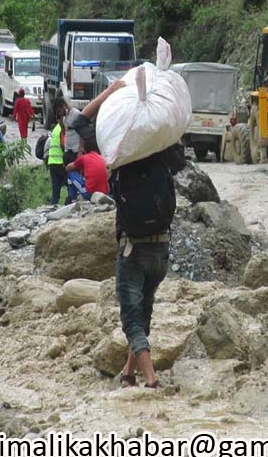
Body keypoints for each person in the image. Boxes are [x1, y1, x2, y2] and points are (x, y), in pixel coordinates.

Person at [112, 144, 184, 389]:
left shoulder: (121, 155)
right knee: (143, 313)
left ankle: (151, 379)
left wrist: (103, 102)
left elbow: (77, 123)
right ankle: (128, 374)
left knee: (132, 320)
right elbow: (180, 158)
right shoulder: (163, 151)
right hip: (161, 249)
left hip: (133, 250)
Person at [65, 137, 108, 202]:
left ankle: (72, 199)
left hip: (90, 193)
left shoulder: (84, 157)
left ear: (84, 149)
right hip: (104, 193)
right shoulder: (100, 157)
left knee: (71, 173)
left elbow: (68, 167)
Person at [46, 122, 66, 206]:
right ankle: (69, 205)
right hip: (60, 162)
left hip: (52, 162)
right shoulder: (62, 127)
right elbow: (63, 145)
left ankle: (53, 207)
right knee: (70, 185)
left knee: (55, 190)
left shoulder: (56, 128)